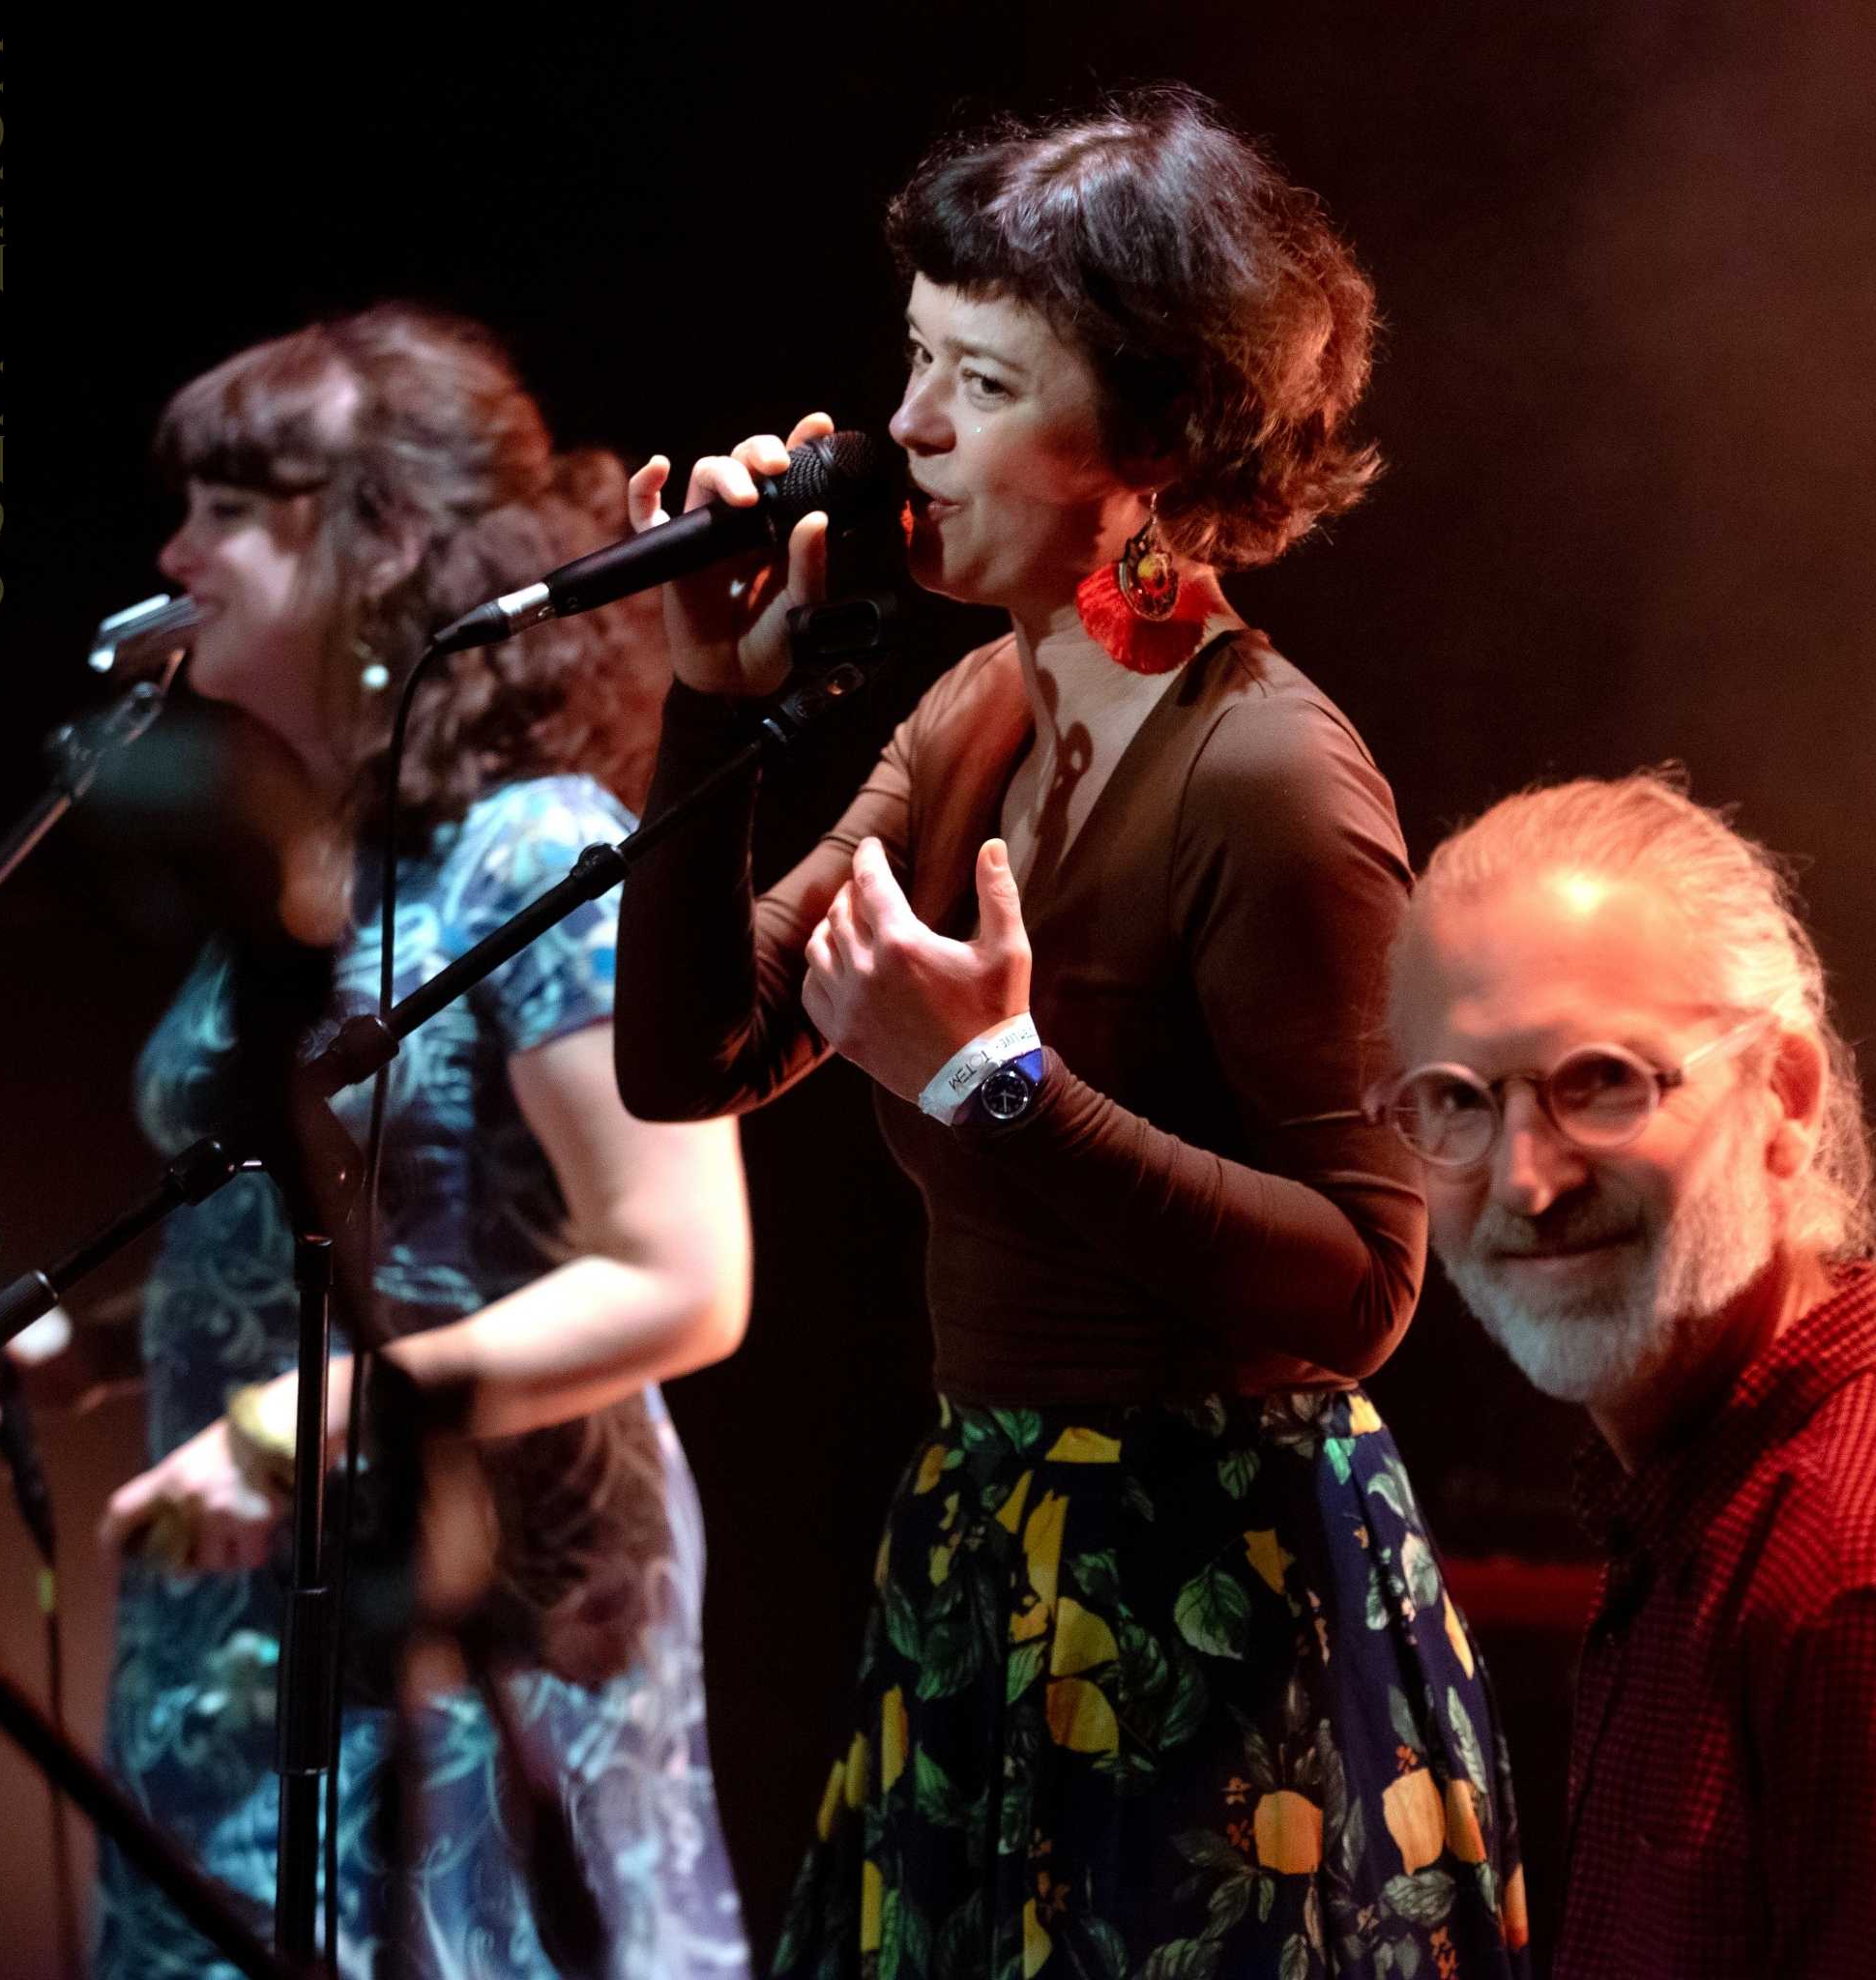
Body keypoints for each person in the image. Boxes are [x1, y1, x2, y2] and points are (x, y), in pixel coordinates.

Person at [616, 91, 1530, 1977]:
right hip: (997, 1555)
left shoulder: (1269, 778)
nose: (909, 430)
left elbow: (1366, 1279)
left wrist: (996, 1086)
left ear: (1152, 448)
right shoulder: (986, 699)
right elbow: (689, 1060)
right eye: (914, 361)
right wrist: (704, 707)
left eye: (979, 378)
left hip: (1213, 1592)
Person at [73, 305, 753, 1978]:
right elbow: (322, 1241)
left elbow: (682, 1272)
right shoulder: (318, 869)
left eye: (230, 505)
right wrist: (71, 1343)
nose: (174, 549)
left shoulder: (536, 847)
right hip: (243, 1627)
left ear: (380, 534)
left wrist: (307, 1420)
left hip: (472, 1631)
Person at [1378, 771, 1876, 1977]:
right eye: (1453, 1098)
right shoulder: (1696, 1496)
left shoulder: (1847, 1572)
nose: (1521, 1180)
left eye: (1600, 1079)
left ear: (1785, 1095)